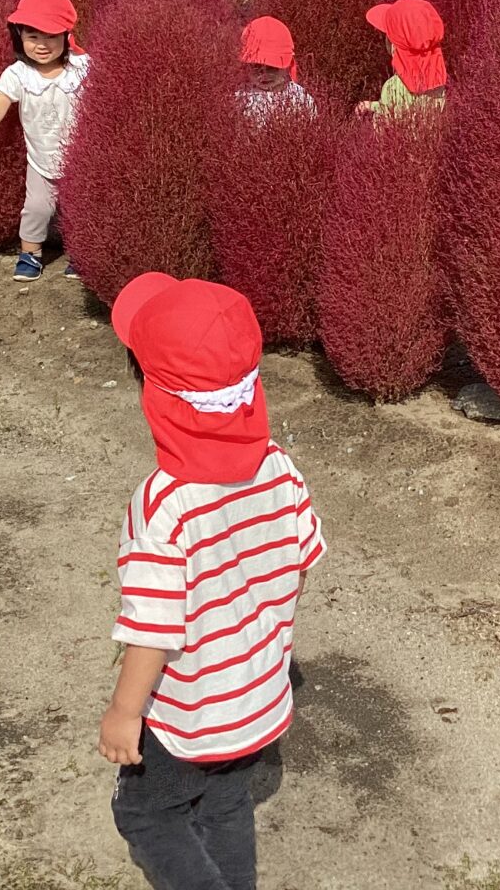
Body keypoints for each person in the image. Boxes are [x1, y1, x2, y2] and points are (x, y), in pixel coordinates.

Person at [100, 272, 327, 890]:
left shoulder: (164, 505)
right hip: (258, 696)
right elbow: (300, 564)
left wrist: (124, 711)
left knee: (146, 815)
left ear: (153, 393)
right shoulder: (279, 468)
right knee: (227, 804)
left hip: (189, 713)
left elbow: (154, 628)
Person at [0, 0, 90, 282]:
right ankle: (30, 254)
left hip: (81, 160)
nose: (42, 45)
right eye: (32, 37)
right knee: (36, 209)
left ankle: (82, 254)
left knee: (81, 208)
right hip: (41, 161)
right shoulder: (18, 74)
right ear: (19, 36)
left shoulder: (81, 67)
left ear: (66, 37)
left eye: (51, 37)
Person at [356, 0, 447, 116]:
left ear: (394, 45)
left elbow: (388, 124)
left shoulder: (393, 87)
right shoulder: (438, 81)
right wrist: (372, 106)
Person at [236, 16, 315, 124]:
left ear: (287, 66)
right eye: (256, 67)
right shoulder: (240, 96)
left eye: (272, 68)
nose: (264, 74)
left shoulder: (299, 99)